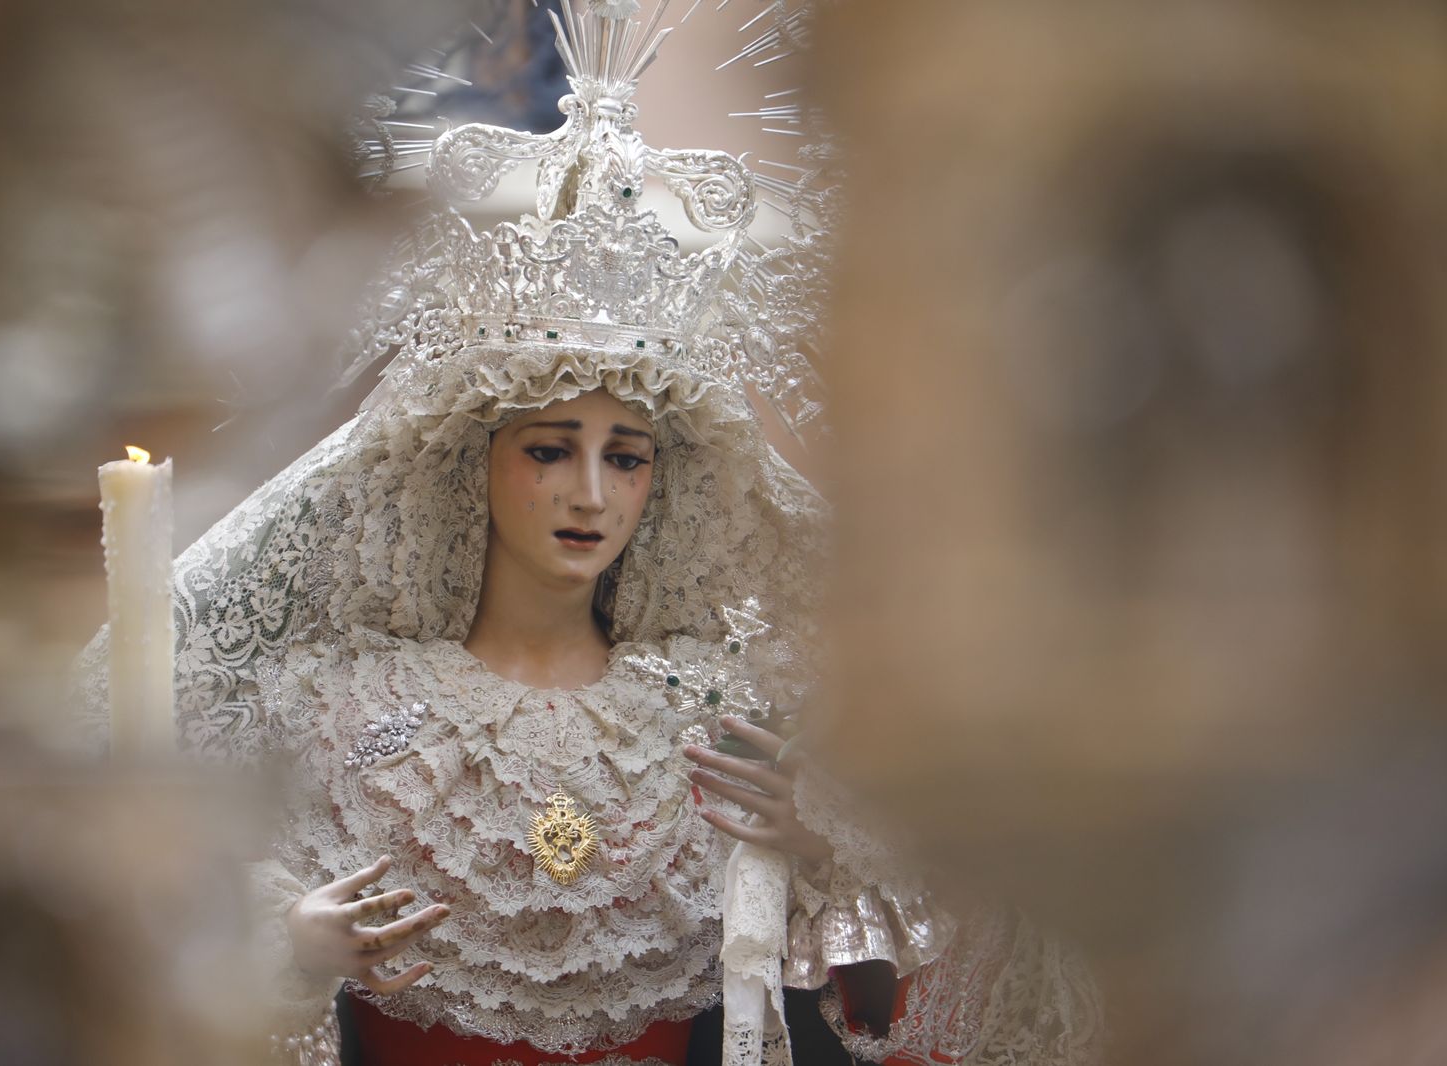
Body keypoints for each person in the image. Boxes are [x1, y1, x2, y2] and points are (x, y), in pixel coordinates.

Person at [78, 4, 1098, 1063]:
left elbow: (919, 991)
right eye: (549, 449)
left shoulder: (713, 718)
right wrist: (289, 945)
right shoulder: (349, 712)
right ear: (473, 461)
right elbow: (156, 933)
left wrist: (814, 840)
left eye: (625, 456)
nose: (589, 496)